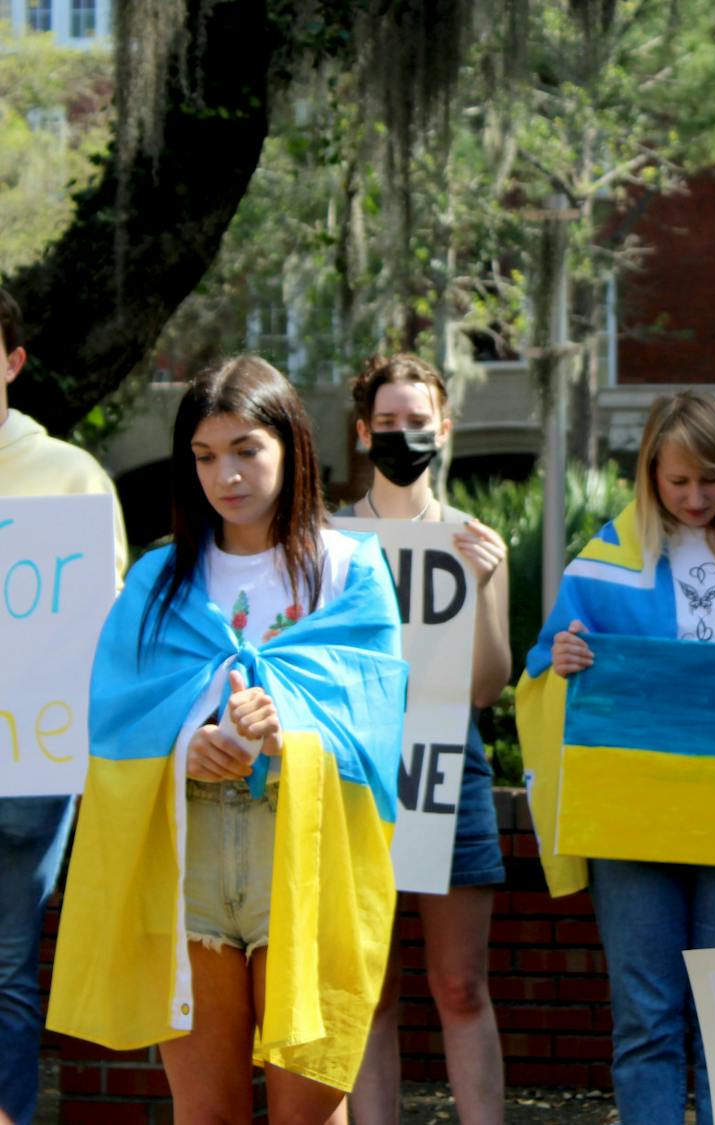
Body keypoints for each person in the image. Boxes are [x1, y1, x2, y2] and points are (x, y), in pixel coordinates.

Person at [46, 357, 408, 1124]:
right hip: (191, 854)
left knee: (307, 1114)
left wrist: (290, 733)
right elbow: (115, 721)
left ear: (292, 445)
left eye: (246, 448)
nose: (226, 475)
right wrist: (187, 745)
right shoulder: (156, 580)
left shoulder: (353, 570)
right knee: (205, 1111)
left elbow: (377, 728)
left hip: (308, 852)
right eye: (205, 456)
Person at [519, 389, 715, 1125]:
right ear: (649, 474)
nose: (696, 496)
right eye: (678, 481)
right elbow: (543, 661)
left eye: (711, 479)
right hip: (631, 820)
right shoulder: (606, 557)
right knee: (646, 1015)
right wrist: (564, 656)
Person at [342, 355, 510, 1125]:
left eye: (417, 423)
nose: (402, 436)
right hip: (358, 776)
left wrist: (481, 589)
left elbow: (487, 686)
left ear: (444, 429)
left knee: (459, 985)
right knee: (369, 991)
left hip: (452, 769)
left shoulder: (474, 541)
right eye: (387, 424)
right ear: (361, 431)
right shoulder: (330, 541)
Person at [0, 288, 127, 1125]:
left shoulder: (74, 474)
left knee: (8, 965)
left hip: (28, 764)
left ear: (13, 360)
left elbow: (104, 618)